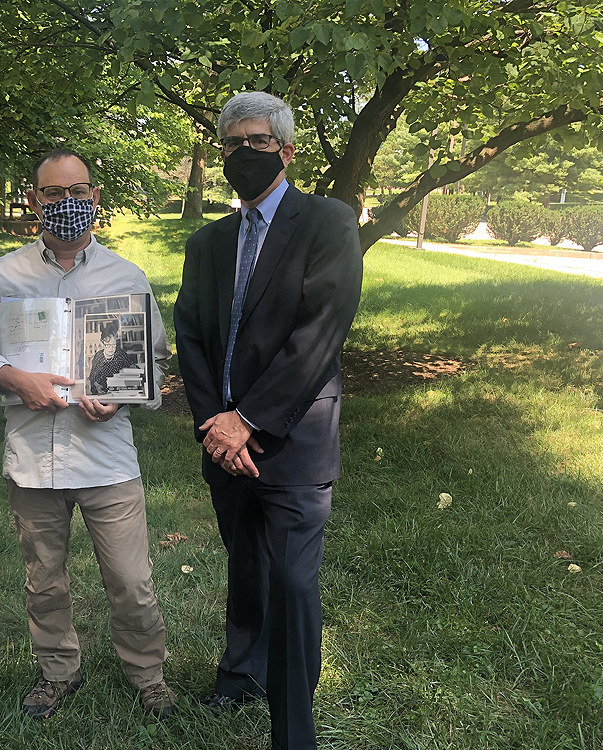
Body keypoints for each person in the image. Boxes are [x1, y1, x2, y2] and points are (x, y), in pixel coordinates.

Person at [0, 148, 177, 720]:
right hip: (32, 455)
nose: (67, 204)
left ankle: (147, 673)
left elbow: (154, 362)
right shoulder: (4, 275)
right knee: (44, 580)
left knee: (131, 581)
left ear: (95, 198)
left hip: (107, 456)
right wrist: (10, 375)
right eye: (54, 193)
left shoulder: (126, 278)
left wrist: (125, 393)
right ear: (35, 200)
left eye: (78, 192)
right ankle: (57, 671)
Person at [174, 92, 363, 749]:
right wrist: (213, 423)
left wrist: (247, 420)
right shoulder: (207, 242)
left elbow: (319, 333)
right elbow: (190, 337)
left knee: (290, 580)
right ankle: (239, 676)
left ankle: (295, 730)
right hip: (223, 444)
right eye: (231, 144)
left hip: (292, 438)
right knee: (244, 566)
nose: (241, 154)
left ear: (286, 151)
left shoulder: (328, 223)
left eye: (256, 142)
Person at [88, 321, 136, 395]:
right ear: (103, 343)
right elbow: (93, 376)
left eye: (113, 345)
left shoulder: (120, 354)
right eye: (108, 345)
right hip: (103, 392)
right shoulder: (98, 356)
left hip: (120, 392)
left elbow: (131, 367)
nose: (111, 348)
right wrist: (97, 385)